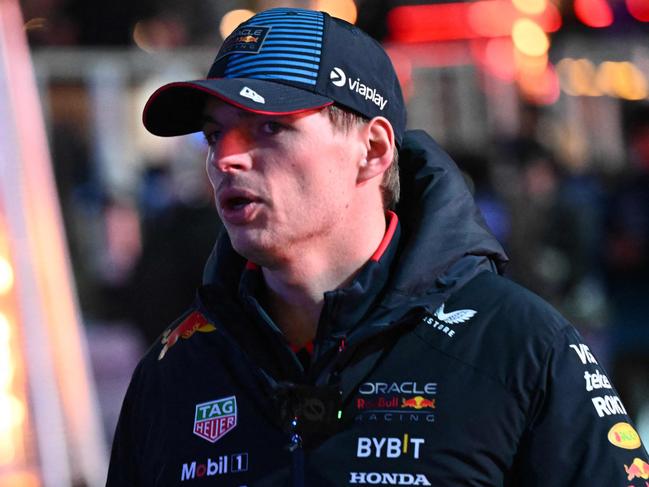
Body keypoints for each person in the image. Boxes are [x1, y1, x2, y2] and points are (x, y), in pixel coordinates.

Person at [107, 7, 649, 486]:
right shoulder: (175, 370)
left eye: (268, 128)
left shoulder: (518, 347)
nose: (225, 158)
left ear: (371, 149)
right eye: (214, 133)